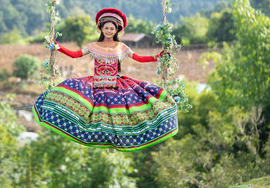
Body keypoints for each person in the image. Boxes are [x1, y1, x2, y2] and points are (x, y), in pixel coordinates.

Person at [33, 8, 178, 152]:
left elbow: (139, 58)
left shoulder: (122, 47)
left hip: (115, 84)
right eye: (106, 28)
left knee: (123, 112)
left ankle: (120, 141)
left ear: (116, 31)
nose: (109, 31)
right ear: (101, 28)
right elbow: (75, 54)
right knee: (81, 104)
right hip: (96, 84)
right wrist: (59, 47)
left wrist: (157, 57)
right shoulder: (93, 46)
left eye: (112, 29)